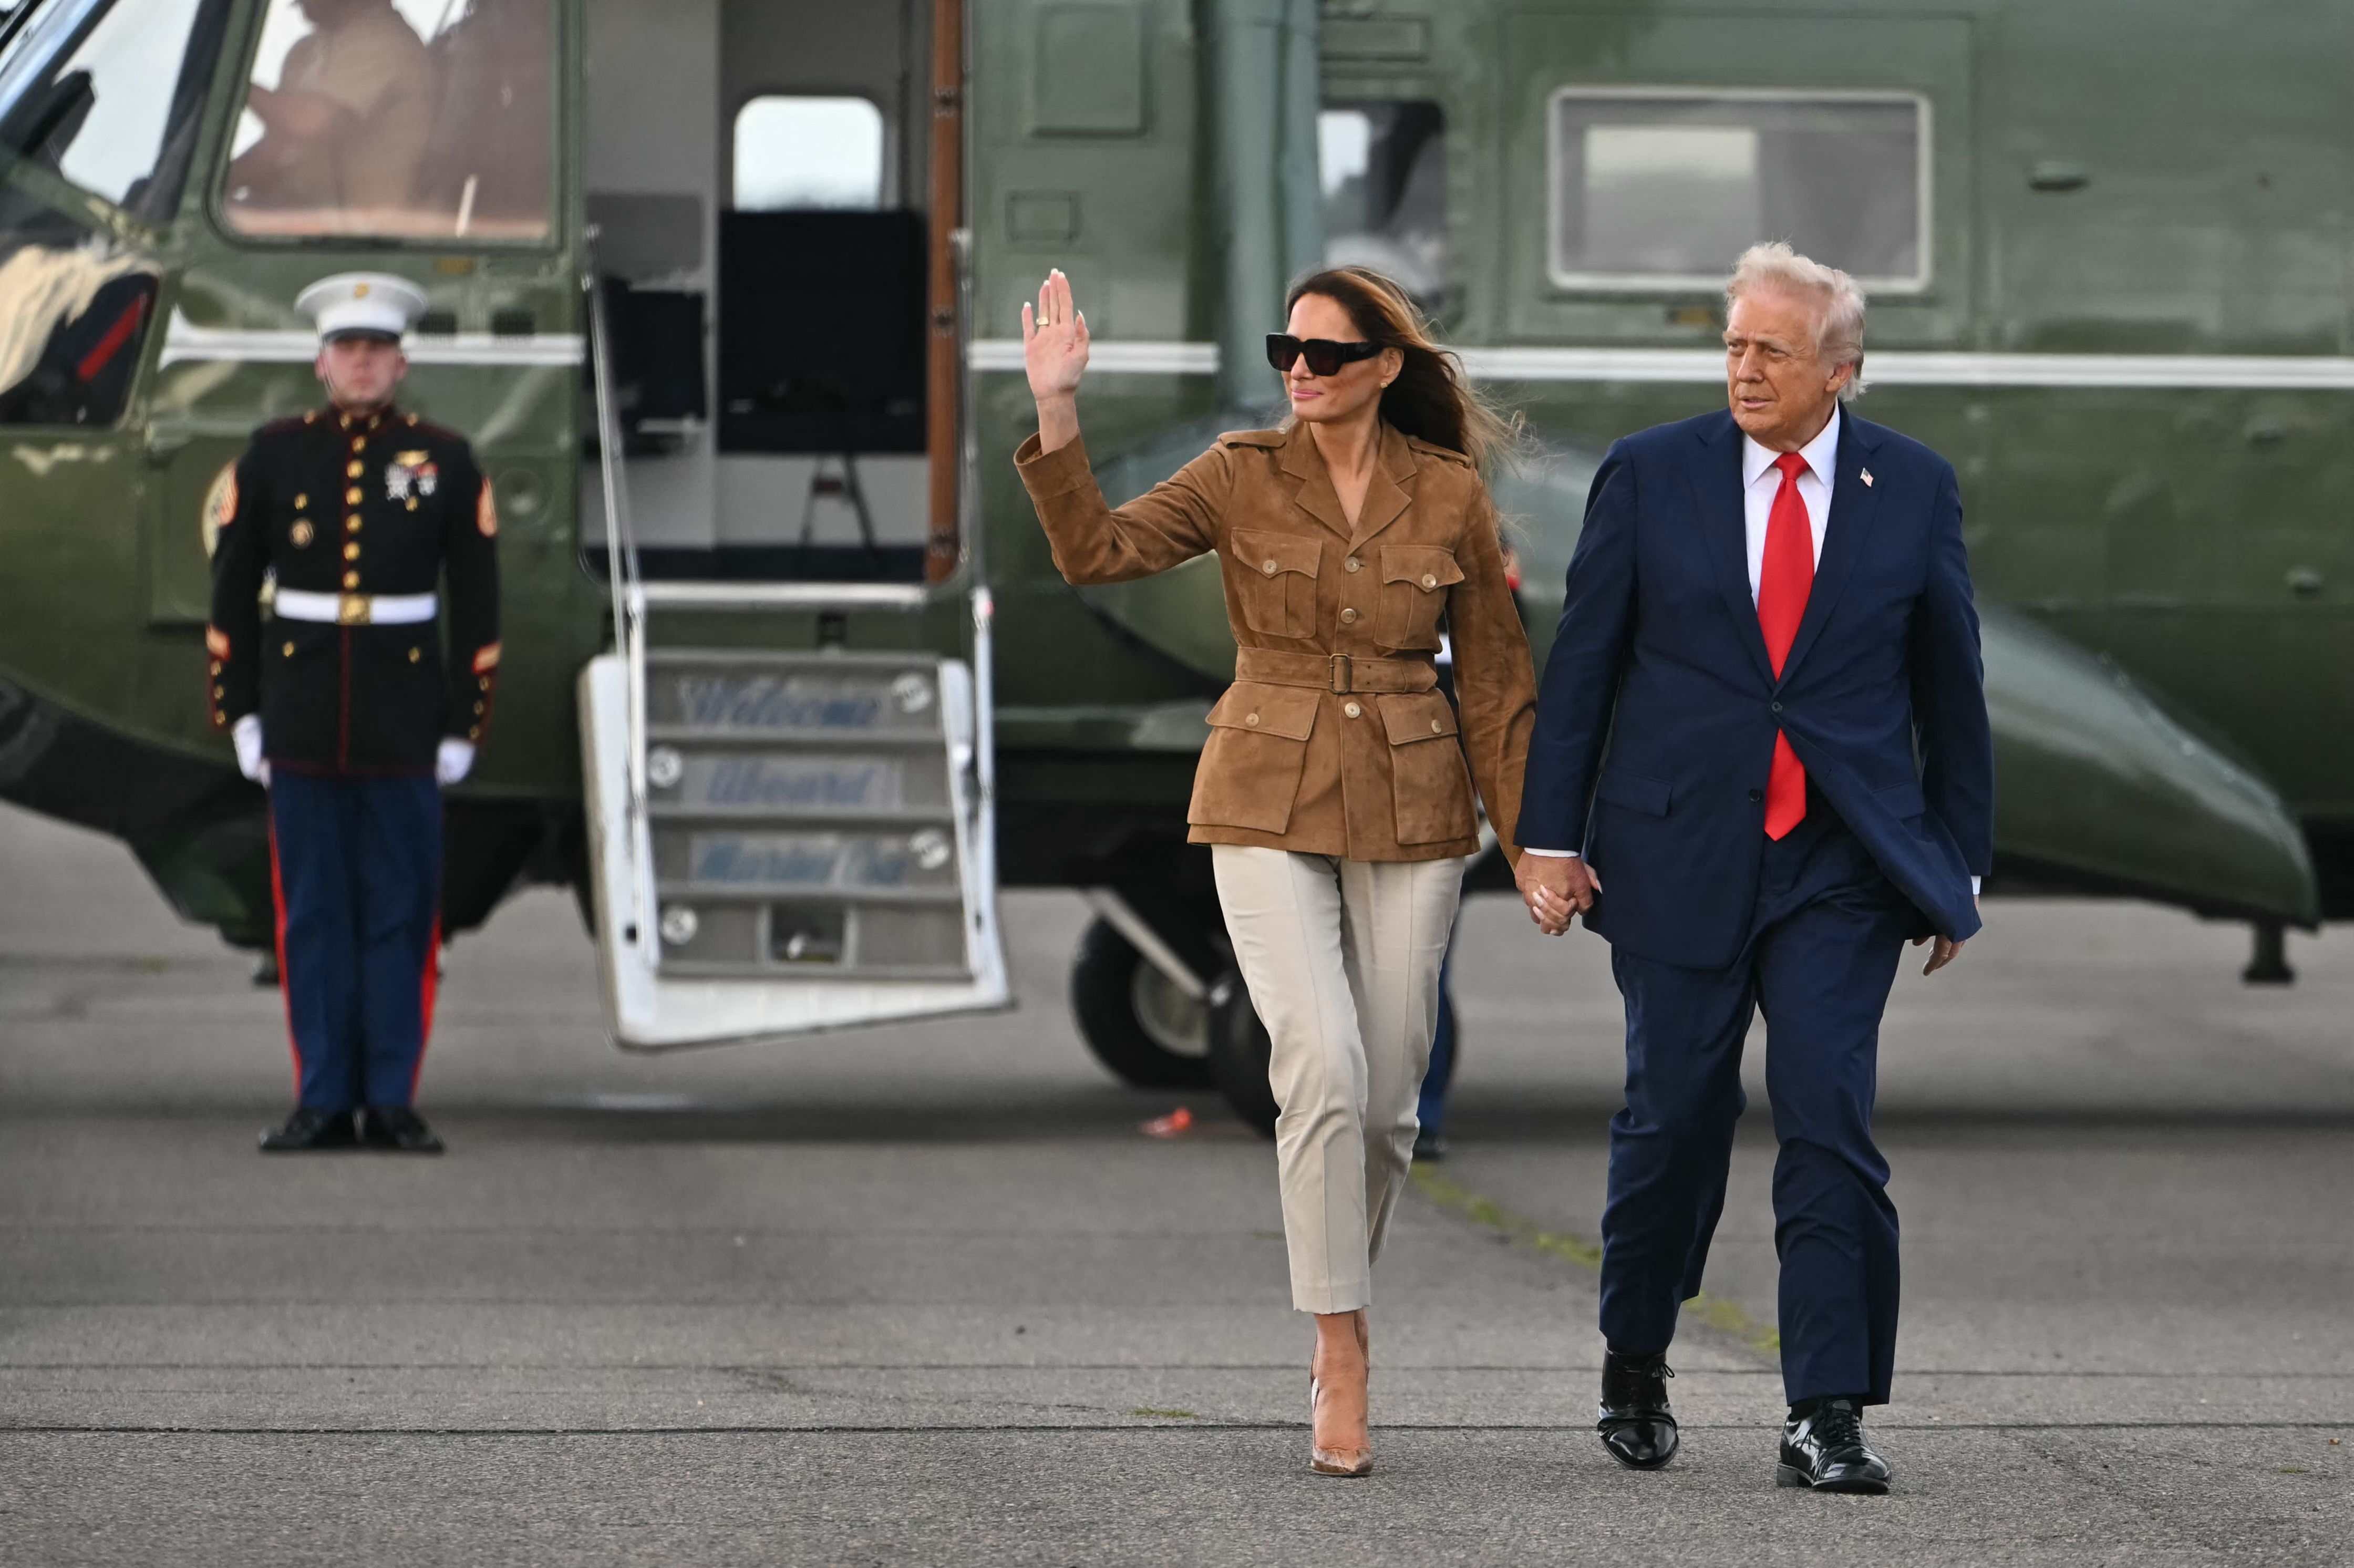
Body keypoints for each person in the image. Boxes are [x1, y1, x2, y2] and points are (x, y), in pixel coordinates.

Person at [1017, 266, 1536, 1477]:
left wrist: (1532, 840)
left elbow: (1502, 680)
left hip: (1416, 793)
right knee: (1321, 1065)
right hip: (1262, 787)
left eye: (1324, 353)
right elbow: (1098, 553)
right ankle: (1341, 1341)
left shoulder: (1450, 491)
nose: (1297, 369)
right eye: (1284, 350)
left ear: (1385, 369)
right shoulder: (1240, 471)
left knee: (1395, 1093)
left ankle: (1337, 1295)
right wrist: (1057, 408)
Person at [1514, 242, 1991, 1492]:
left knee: (1830, 1119)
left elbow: (1953, 686)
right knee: (1674, 1117)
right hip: (1677, 849)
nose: (1743, 369)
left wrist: (1957, 866)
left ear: (1843, 369)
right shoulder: (1651, 473)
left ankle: (1825, 1410)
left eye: (1770, 351)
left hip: (1841, 855)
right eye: (1733, 346)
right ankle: (1636, 1354)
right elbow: (1585, 670)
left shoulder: (1914, 486)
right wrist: (1548, 837)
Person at [207, 272, 500, 1156]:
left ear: (401, 364)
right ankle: (323, 1096)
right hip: (300, 713)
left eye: (377, 351)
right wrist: (242, 714)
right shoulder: (272, 455)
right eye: (347, 350)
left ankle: (391, 1098)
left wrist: (461, 724)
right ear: (320, 361)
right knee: (312, 915)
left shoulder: (445, 459)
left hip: (403, 715)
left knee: (401, 913)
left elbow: (478, 603)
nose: (361, 365)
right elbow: (230, 595)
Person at [226, 0, 435, 227]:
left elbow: (309, 122)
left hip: (354, 233)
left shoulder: (388, 40)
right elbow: (274, 151)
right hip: (292, 211)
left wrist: (226, 80)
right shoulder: (306, 50)